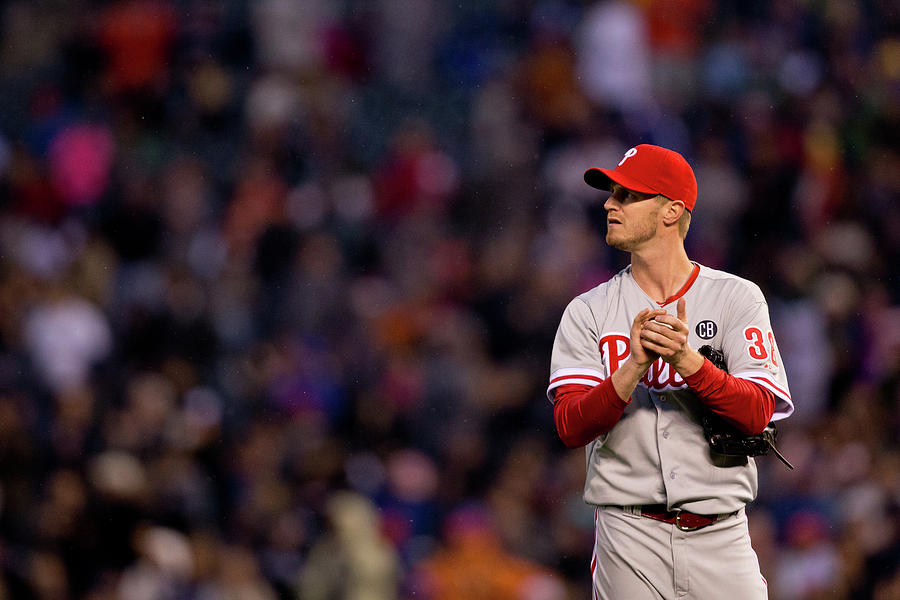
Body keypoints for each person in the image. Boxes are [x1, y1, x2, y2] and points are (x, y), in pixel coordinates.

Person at [547, 144, 793, 599]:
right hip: (628, 537)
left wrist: (689, 362)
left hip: (721, 535)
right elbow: (570, 426)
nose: (609, 204)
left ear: (671, 210)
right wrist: (633, 367)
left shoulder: (736, 299)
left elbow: (758, 413)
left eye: (627, 195)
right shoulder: (589, 311)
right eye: (611, 193)